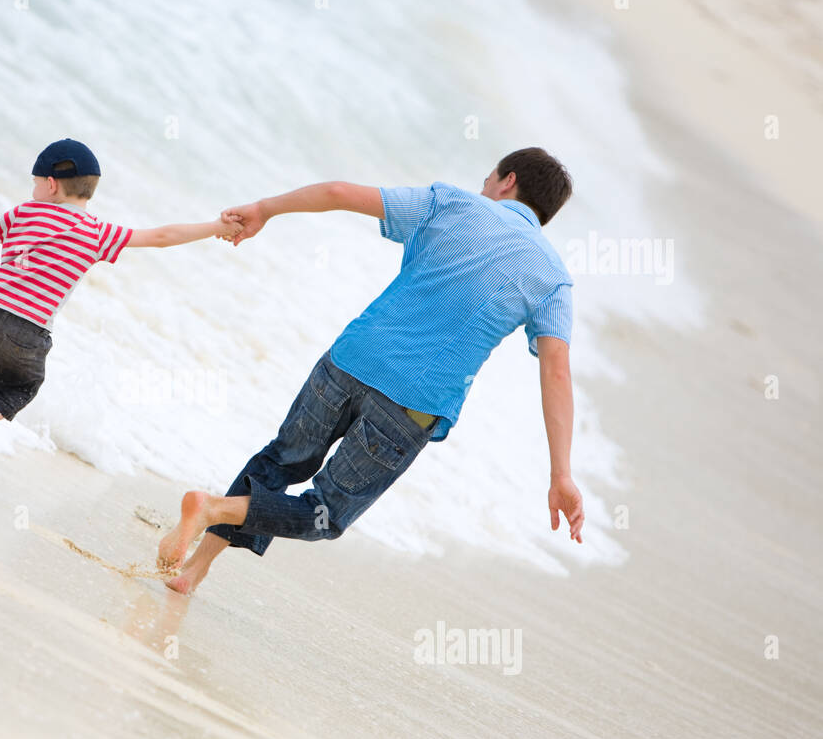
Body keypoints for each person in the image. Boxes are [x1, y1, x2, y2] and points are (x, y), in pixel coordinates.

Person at [157, 147, 585, 593]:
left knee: (279, 461)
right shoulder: (552, 278)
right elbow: (556, 374)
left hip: (348, 363)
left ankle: (195, 568)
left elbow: (338, 192)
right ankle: (208, 514)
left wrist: (264, 209)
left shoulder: (450, 203)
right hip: (411, 408)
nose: (482, 190)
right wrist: (561, 475)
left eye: (486, 181)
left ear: (507, 180)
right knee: (324, 514)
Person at [0, 138, 242, 465]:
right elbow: (162, 236)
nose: (32, 189)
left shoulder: (24, 213)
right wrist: (217, 227)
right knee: (21, 387)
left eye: (34, 182)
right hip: (30, 329)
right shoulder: (97, 232)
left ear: (50, 184)